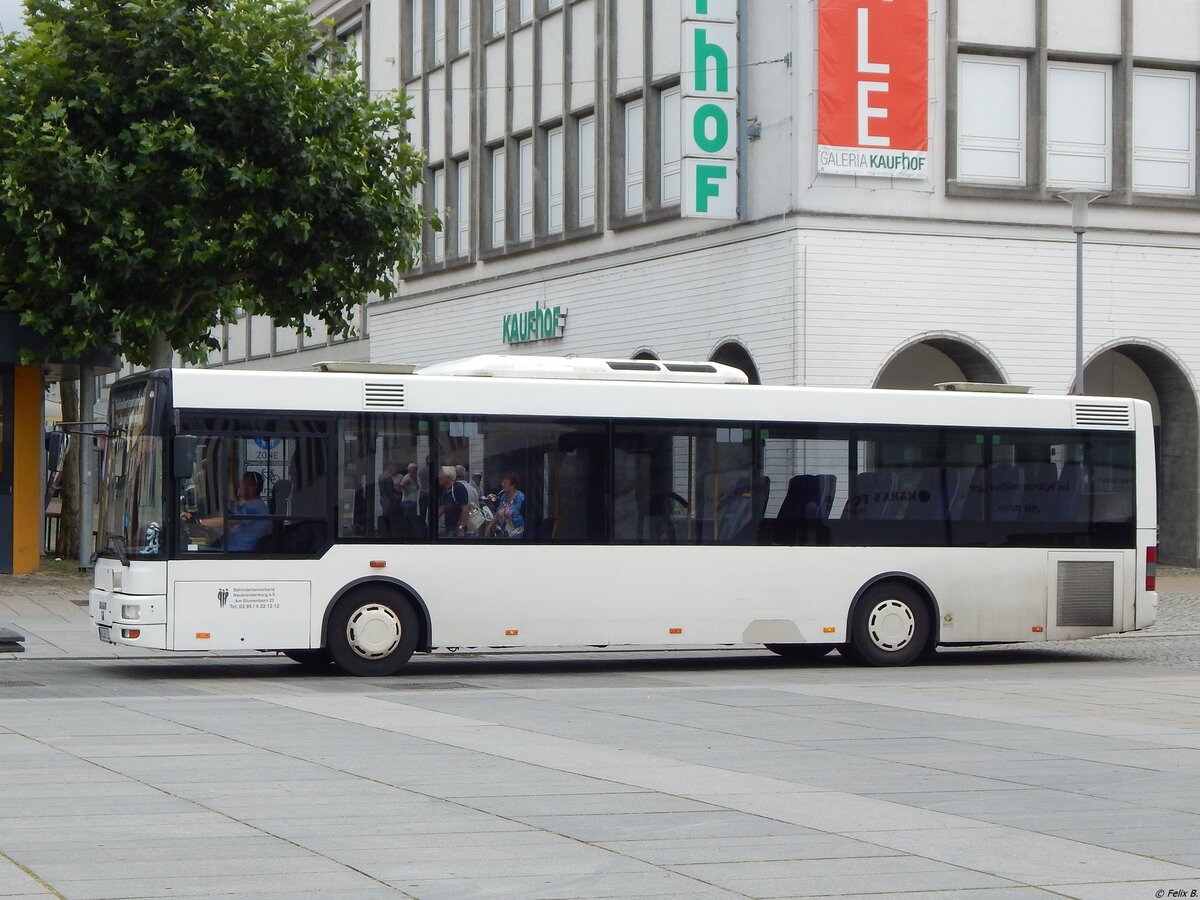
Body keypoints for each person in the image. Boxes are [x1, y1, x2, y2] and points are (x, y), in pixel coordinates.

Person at [182, 470, 271, 551]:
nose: (239, 487)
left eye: (243, 484)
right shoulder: (249, 505)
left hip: (238, 551)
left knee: (190, 550)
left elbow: (231, 521)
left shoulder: (255, 507)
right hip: (228, 548)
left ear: (253, 488)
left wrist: (199, 522)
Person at [485, 472, 525, 538]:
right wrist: (489, 526)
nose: (502, 485)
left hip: (518, 535)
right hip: (505, 534)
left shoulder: (521, 497)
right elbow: (498, 514)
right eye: (502, 482)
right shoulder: (503, 496)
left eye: (505, 483)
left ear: (512, 486)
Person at [438, 465, 470, 537]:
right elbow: (444, 507)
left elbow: (465, 509)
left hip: (456, 528)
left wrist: (461, 527)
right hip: (448, 527)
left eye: (441, 475)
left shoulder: (458, 488)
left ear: (448, 477)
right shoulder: (445, 490)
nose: (439, 477)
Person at [397, 462, 421, 536]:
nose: (415, 471)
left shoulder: (413, 477)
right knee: (410, 519)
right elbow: (401, 485)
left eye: (416, 469)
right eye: (414, 469)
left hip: (412, 501)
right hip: (408, 501)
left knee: (411, 518)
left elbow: (417, 487)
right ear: (410, 469)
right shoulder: (407, 477)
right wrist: (406, 491)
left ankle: (410, 533)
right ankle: (409, 533)